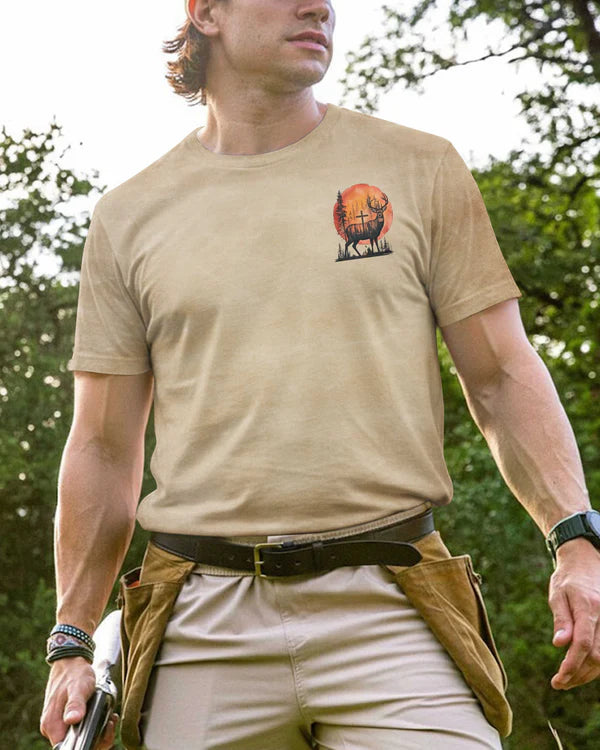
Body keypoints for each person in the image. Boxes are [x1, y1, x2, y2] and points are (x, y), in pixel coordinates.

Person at [40, 1, 600, 748]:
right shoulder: (127, 216)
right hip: (200, 622)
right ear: (205, 12)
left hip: (394, 605)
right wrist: (72, 640)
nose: (321, 6)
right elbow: (104, 446)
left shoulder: (420, 166)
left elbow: (500, 375)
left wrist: (577, 540)